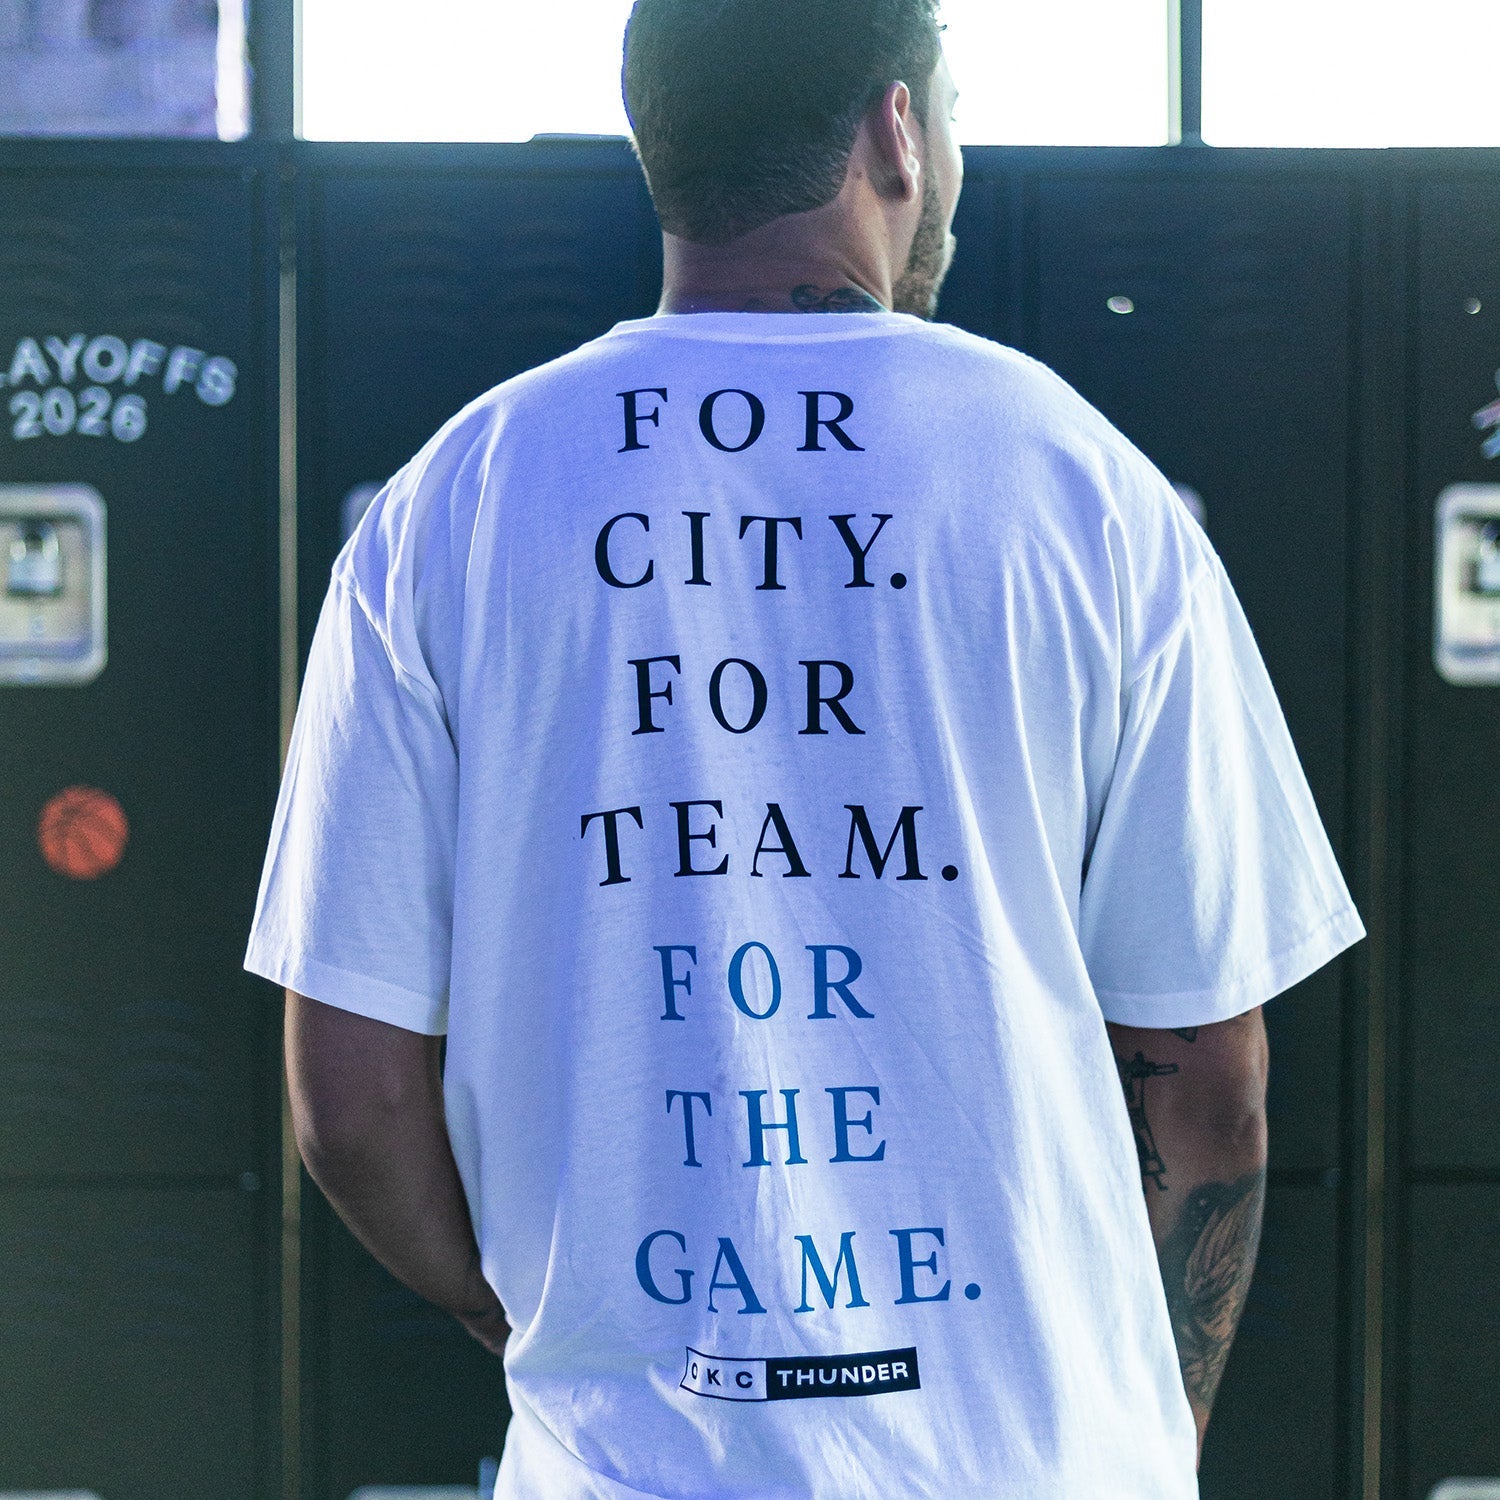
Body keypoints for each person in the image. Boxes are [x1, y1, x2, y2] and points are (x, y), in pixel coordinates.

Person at [243, 1, 1366, 1495]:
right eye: (948, 113)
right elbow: (1210, 1082)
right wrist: (1137, 1429)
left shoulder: (453, 502)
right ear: (897, 130)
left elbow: (353, 1097)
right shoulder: (1083, 487)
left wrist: (535, 1325)